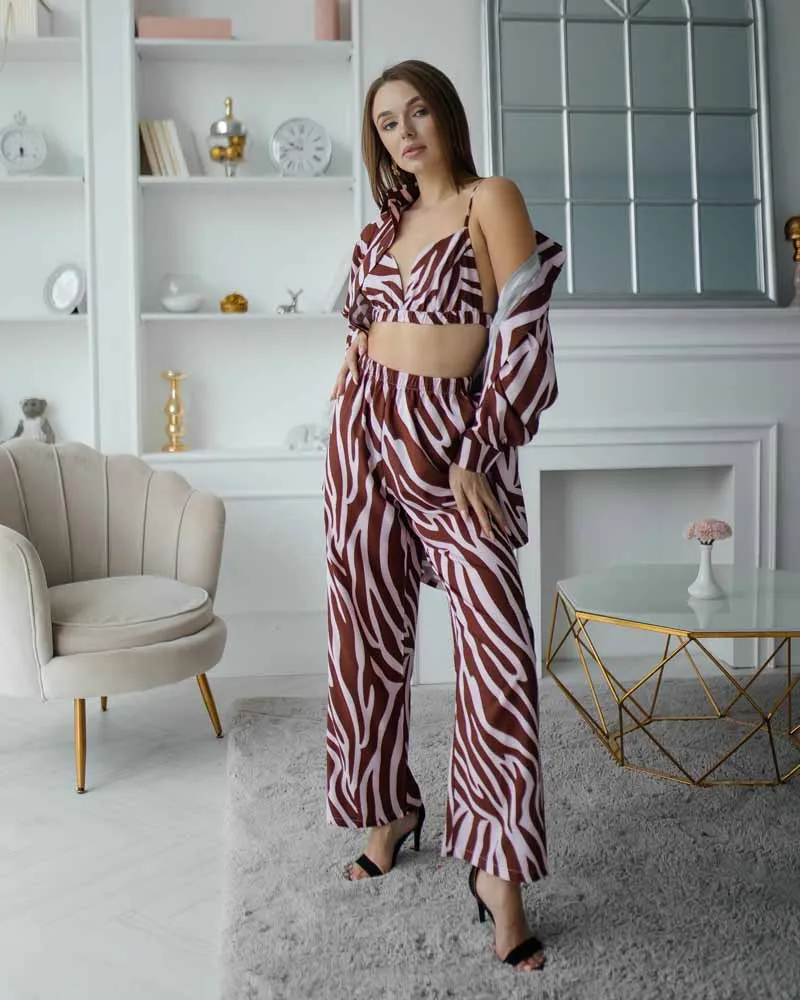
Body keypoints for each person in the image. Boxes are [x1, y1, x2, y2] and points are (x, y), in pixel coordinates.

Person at [324, 58, 564, 973]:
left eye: (418, 112)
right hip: (363, 438)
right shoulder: (377, 232)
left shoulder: (489, 200)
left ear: (447, 116)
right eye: (387, 122)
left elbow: (523, 333)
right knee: (365, 633)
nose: (405, 133)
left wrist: (479, 447)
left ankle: (498, 874)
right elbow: (359, 332)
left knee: (498, 653)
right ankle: (389, 809)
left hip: (452, 441)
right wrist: (350, 381)